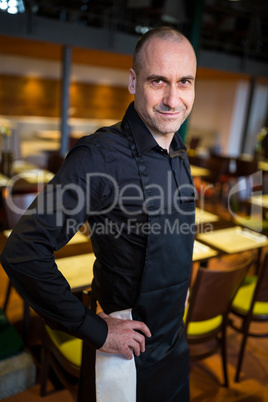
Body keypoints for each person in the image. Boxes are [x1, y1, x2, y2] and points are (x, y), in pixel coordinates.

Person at [1, 26, 197, 401]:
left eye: (184, 82)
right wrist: (95, 329)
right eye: (158, 81)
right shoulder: (98, 156)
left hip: (174, 342)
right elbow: (23, 252)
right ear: (133, 81)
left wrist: (179, 291)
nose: (174, 98)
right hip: (123, 348)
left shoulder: (179, 152)